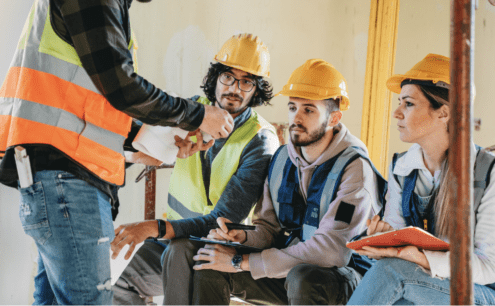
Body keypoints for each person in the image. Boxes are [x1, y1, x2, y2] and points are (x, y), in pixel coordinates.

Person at [0, 0, 235, 304]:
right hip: (65, 182)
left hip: (63, 179)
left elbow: (96, 104)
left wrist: (151, 143)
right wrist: (199, 114)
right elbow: (122, 86)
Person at [190, 58, 387, 305]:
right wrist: (241, 237)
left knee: (304, 277)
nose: (296, 118)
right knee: (210, 262)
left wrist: (240, 262)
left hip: (347, 277)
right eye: (293, 107)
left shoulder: (355, 169)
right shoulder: (282, 159)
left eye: (308, 110)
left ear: (334, 118)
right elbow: (268, 230)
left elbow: (330, 251)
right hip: (292, 269)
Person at [111, 33, 280, 305]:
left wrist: (151, 227)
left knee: (179, 253)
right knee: (117, 276)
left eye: (246, 82)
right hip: (173, 239)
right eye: (227, 77)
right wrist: (151, 152)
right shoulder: (190, 111)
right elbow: (139, 149)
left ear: (256, 91)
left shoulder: (260, 140)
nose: (234, 88)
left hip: (221, 247)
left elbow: (220, 220)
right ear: (214, 78)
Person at [347, 53, 495, 305]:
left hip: (479, 294)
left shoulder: (488, 172)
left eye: (408, 103)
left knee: (392, 273)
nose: (396, 113)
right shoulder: (402, 169)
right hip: (425, 284)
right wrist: (387, 239)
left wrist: (418, 258)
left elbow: (488, 266)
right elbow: (399, 240)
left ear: (443, 113)